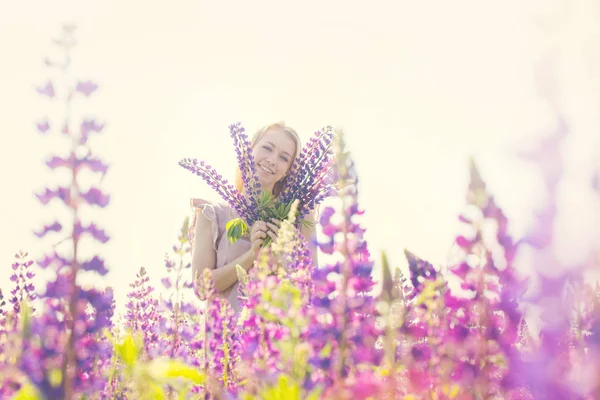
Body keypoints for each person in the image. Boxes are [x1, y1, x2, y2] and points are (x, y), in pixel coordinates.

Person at [189, 122, 318, 313]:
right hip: (225, 338)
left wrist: (284, 260)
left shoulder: (298, 219)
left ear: (288, 171)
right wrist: (251, 257)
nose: (272, 160)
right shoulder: (212, 215)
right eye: (267, 148)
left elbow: (313, 291)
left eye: (284, 158)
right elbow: (201, 288)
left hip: (278, 338)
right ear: (250, 150)